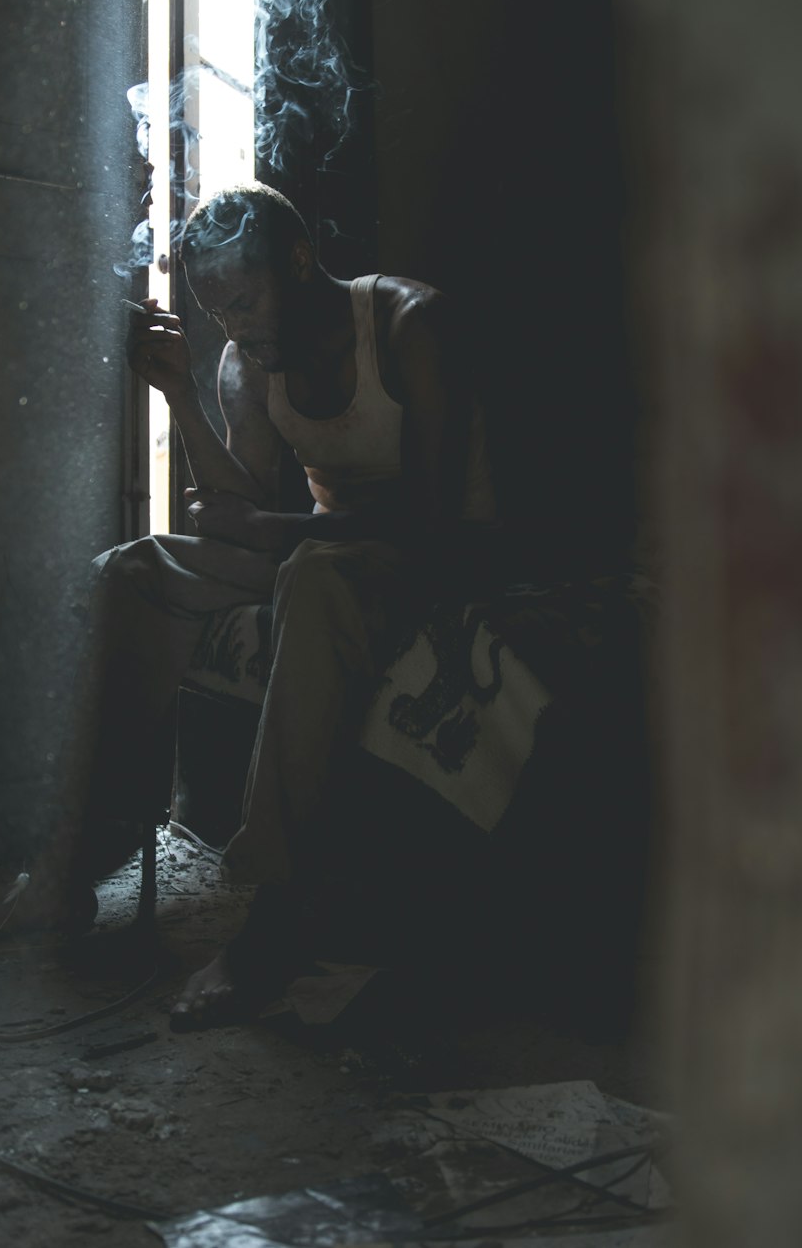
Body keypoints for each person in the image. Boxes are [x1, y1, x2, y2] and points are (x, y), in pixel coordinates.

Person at [53, 182, 500, 1025]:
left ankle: (276, 911)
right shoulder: (245, 363)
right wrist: (182, 395)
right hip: (323, 549)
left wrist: (277, 528)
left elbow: (435, 518)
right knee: (128, 569)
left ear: (298, 262)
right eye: (216, 309)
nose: (236, 325)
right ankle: (88, 846)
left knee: (314, 576)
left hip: (437, 558)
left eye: (245, 298)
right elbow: (245, 507)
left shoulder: (408, 325)